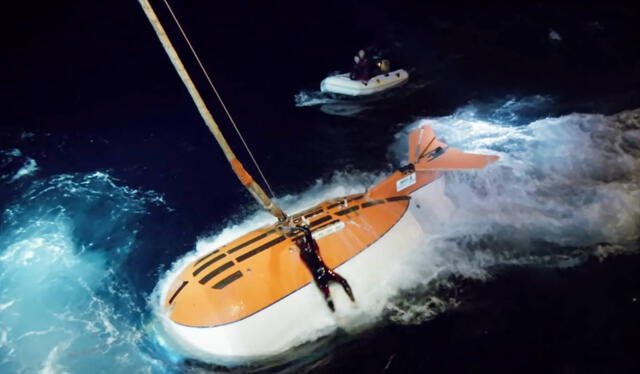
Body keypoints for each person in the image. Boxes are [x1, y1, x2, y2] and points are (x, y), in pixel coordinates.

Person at [293, 225, 355, 311]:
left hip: (317, 277)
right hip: (325, 271)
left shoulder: (301, 255)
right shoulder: (309, 246)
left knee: (327, 295)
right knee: (343, 282)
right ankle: (353, 301)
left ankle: (335, 313)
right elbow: (307, 231)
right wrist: (296, 227)